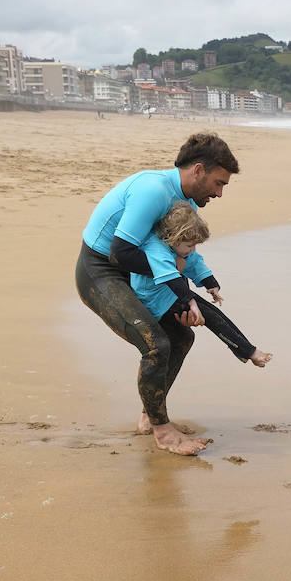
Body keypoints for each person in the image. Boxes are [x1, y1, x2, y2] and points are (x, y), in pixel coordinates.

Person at [74, 132, 237, 455]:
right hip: (101, 270)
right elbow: (121, 253)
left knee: (180, 338)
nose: (219, 193)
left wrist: (195, 285)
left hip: (134, 272)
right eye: (219, 183)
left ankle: (152, 417)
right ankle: (163, 432)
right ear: (198, 170)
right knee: (156, 344)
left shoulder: (185, 200)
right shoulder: (153, 190)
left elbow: (181, 256)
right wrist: (177, 286)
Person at [131, 201, 272, 368]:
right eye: (190, 245)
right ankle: (249, 352)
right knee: (210, 317)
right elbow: (172, 280)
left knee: (214, 312)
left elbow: (194, 262)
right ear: (173, 237)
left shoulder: (177, 245)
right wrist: (192, 304)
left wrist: (211, 284)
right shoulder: (156, 249)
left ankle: (246, 350)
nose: (192, 249)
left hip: (168, 293)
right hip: (153, 299)